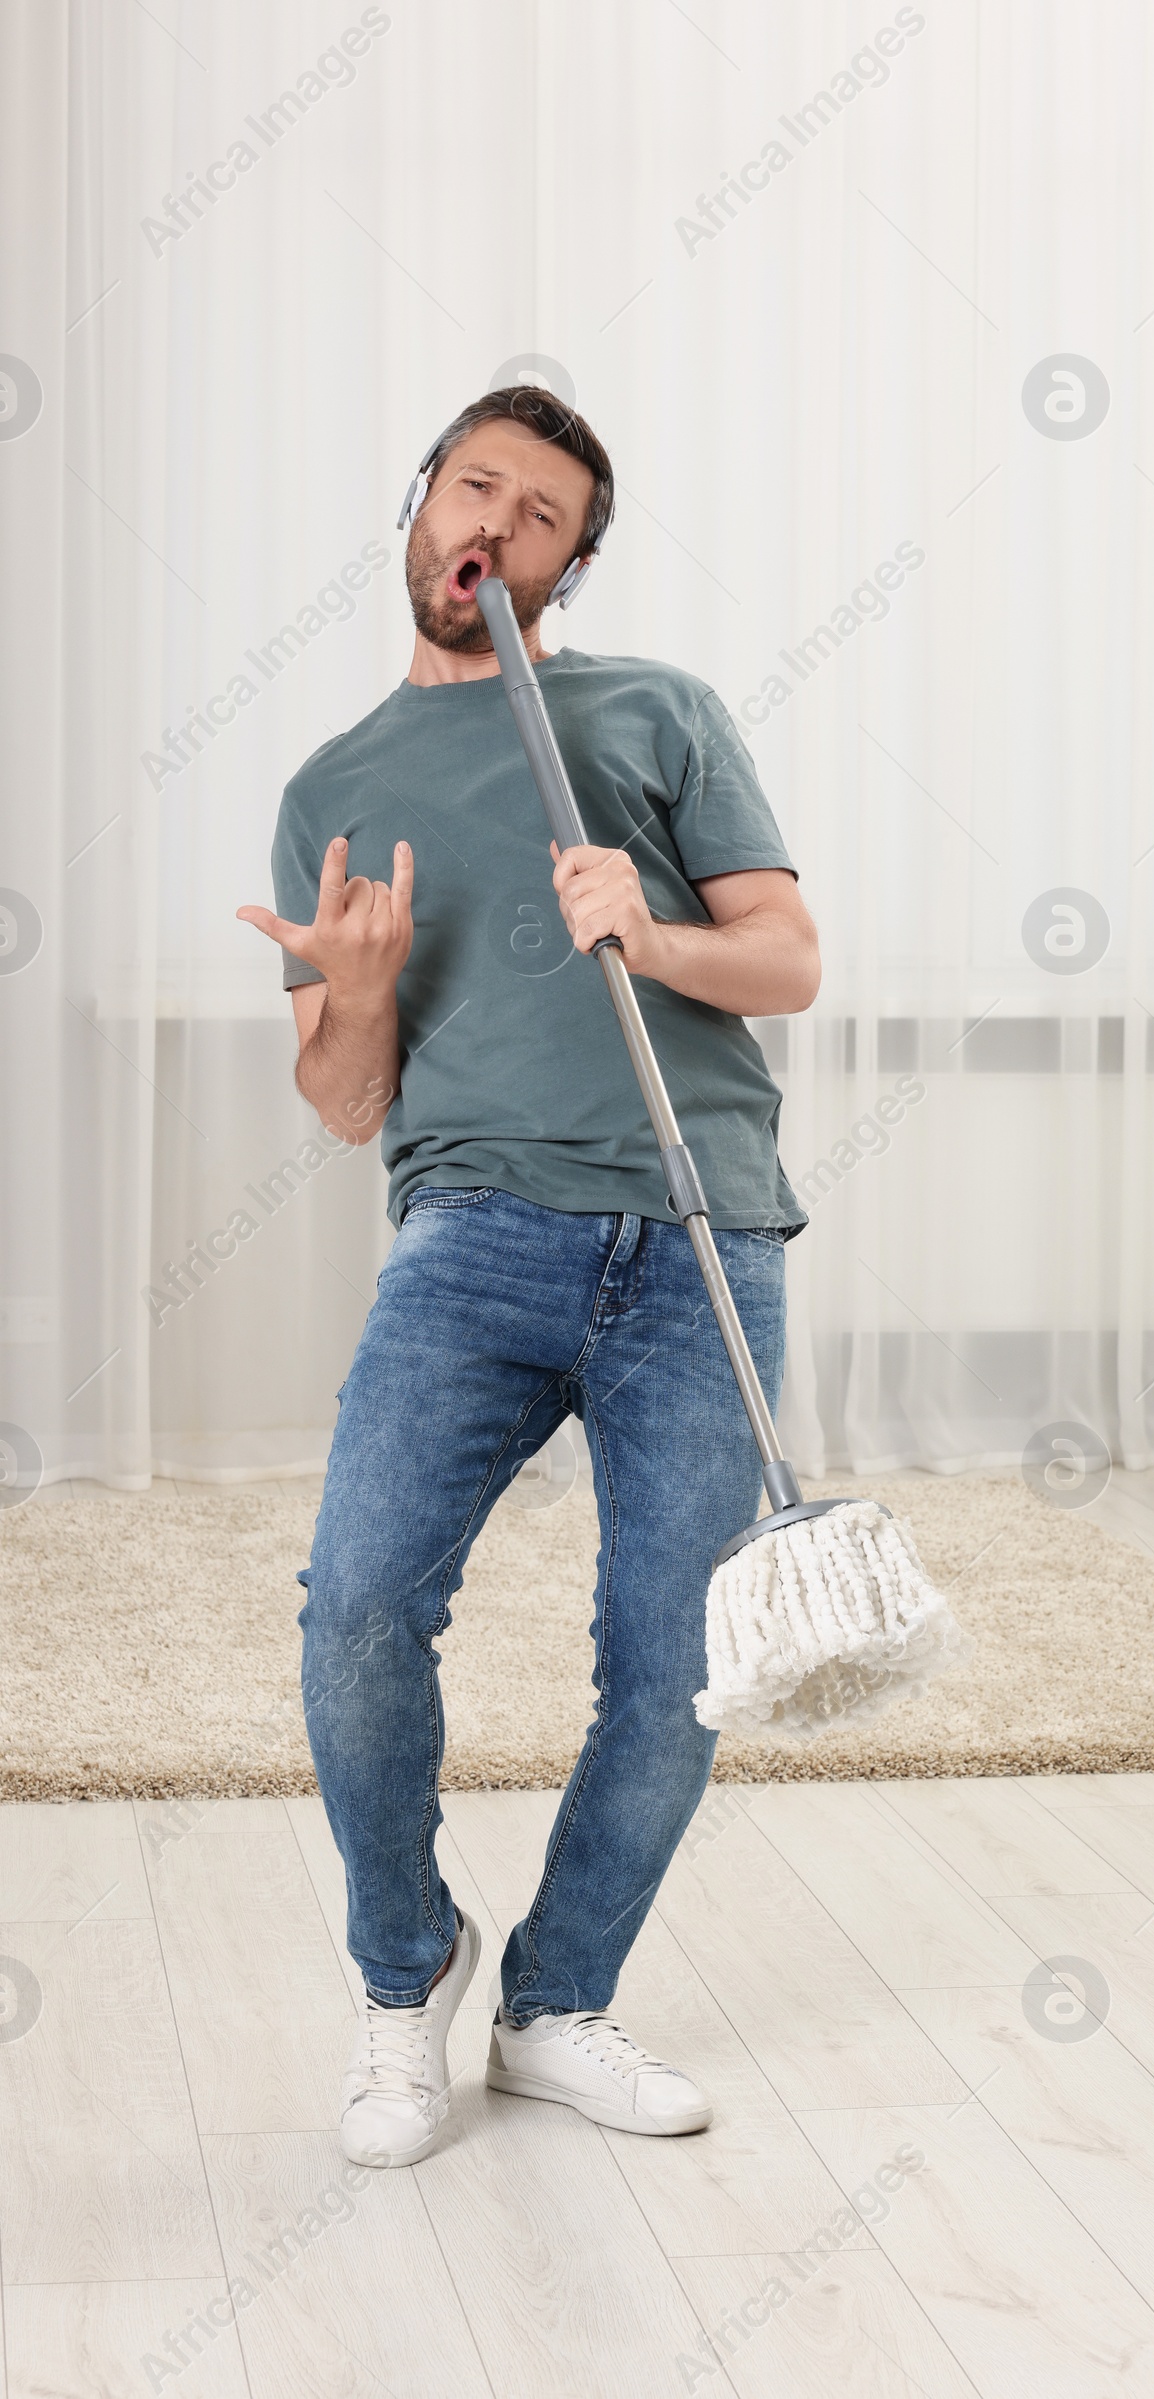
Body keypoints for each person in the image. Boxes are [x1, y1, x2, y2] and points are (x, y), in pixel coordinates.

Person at [237, 384, 818, 2166]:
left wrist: (643, 927)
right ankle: (408, 1973)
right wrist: (349, 987)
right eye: (474, 485)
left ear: (565, 562)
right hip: (474, 1237)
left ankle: (560, 2002)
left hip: (699, 1228)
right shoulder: (332, 789)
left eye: (544, 511)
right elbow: (349, 1108)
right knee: (354, 1609)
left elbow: (787, 960)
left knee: (670, 1663)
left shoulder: (655, 714)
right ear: (424, 508)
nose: (498, 520)